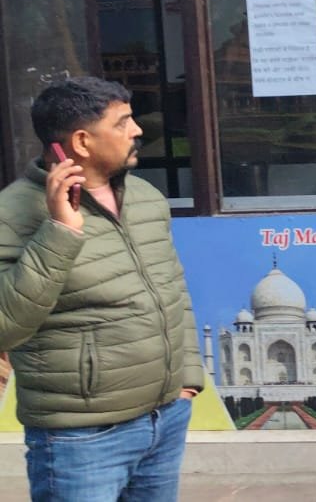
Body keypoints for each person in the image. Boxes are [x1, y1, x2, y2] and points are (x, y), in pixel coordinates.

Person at [0, 76, 205, 502]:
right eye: (123, 122)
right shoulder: (10, 214)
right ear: (81, 141)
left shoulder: (145, 197)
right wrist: (60, 231)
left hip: (165, 419)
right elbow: (6, 325)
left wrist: (186, 382)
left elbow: (173, 289)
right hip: (82, 438)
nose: (138, 130)